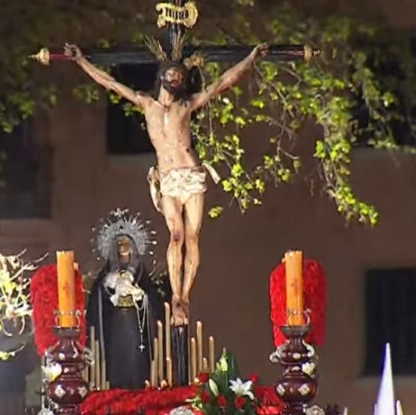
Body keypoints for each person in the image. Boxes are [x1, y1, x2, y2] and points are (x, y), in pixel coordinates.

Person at [64, 41, 268, 325]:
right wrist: (81, 61)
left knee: (193, 236)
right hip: (168, 178)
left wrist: (250, 58)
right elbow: (109, 83)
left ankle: (186, 294)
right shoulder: (145, 103)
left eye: (180, 78)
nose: (176, 80)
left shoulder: (186, 105)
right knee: (176, 235)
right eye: (172, 75)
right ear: (162, 76)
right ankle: (176, 295)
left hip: (191, 175)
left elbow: (222, 82)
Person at [86, 210, 166, 389]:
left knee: (136, 363)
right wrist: (108, 293)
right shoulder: (105, 277)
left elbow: (154, 303)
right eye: (119, 244)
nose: (123, 247)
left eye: (126, 243)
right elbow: (96, 306)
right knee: (116, 364)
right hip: (115, 329)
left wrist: (141, 297)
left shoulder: (141, 277)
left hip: (136, 329)